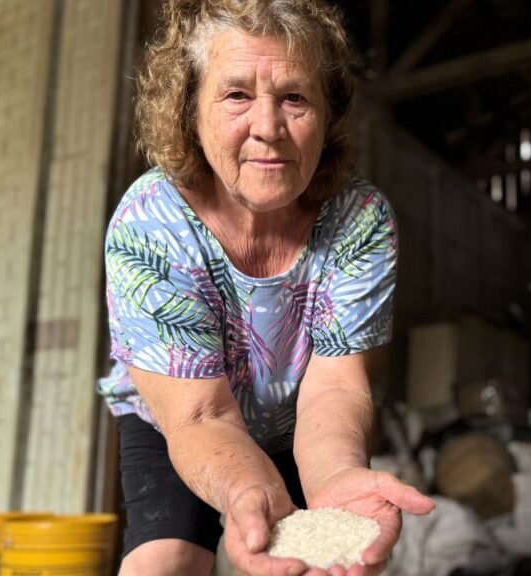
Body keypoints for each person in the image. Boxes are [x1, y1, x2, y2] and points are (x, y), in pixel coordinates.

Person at [96, 1, 434, 574]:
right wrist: (244, 490)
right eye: (236, 95)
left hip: (304, 421)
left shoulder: (360, 220)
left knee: (313, 561)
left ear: (328, 116)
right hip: (185, 418)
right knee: (167, 560)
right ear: (189, 110)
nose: (268, 128)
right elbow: (200, 415)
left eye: (295, 98)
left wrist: (336, 476)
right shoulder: (151, 224)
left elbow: (335, 387)